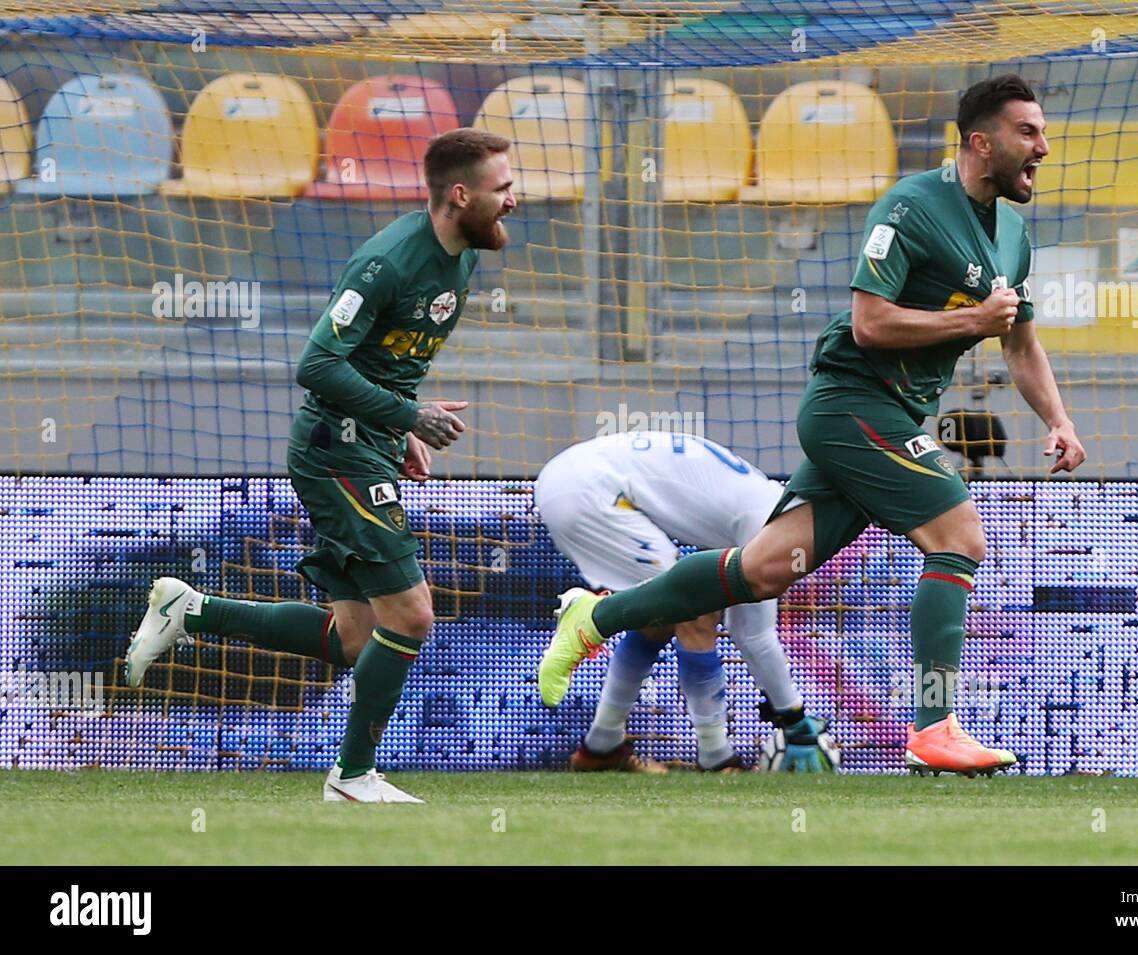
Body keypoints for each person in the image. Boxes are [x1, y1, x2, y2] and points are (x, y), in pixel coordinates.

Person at [538, 75, 1087, 775]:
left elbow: (1019, 341)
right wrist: (969, 321)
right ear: (981, 143)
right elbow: (870, 320)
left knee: (764, 570)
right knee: (958, 537)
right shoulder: (912, 206)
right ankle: (934, 723)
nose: (1043, 145)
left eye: (1042, 131)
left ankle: (595, 617)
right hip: (851, 403)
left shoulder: (1014, 235)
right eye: (1028, 133)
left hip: (886, 417)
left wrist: (1059, 419)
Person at [125, 129, 517, 802]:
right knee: (413, 616)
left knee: (357, 637)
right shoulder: (386, 263)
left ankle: (191, 609)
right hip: (336, 451)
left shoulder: (461, 258)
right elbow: (315, 363)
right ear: (462, 194)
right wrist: (406, 417)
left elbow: (387, 360)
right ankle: (353, 776)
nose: (516, 199)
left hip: (366, 444)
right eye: (504, 187)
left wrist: (401, 428)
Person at [534, 431, 831, 773]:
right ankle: (716, 758)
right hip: (590, 491)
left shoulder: (764, 498)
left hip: (570, 480)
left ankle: (601, 747)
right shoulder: (768, 522)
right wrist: (794, 719)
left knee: (658, 617)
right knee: (694, 611)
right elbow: (752, 635)